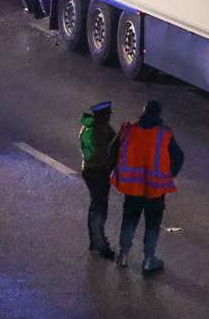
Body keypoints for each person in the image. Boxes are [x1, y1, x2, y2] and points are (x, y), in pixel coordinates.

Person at [112, 99, 184, 273]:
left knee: (129, 220)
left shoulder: (128, 129)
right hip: (155, 190)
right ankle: (148, 260)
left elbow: (112, 151)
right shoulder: (164, 134)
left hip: (132, 189)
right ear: (158, 115)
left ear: (142, 112)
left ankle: (123, 255)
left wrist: (119, 170)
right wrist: (168, 174)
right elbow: (178, 157)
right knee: (152, 225)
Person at [79, 101, 119, 260]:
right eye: (108, 115)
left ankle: (95, 240)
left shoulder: (88, 127)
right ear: (103, 116)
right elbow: (107, 151)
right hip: (98, 172)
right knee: (99, 209)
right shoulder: (100, 131)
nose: (109, 117)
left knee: (96, 206)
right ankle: (99, 245)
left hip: (89, 169)